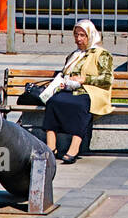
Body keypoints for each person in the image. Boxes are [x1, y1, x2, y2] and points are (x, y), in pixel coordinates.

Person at [43, 19, 113, 163]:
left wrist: (84, 79)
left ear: (90, 36)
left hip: (92, 91)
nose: (79, 39)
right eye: (76, 35)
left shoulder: (101, 54)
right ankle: (51, 146)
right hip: (71, 90)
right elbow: (65, 73)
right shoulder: (74, 55)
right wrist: (64, 82)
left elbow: (107, 79)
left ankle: (74, 148)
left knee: (81, 106)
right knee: (53, 102)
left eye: (83, 35)